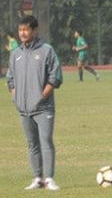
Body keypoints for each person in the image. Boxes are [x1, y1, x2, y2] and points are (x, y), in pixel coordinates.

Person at [7, 15, 63, 191]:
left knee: (46, 141)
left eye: (26, 30)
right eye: (20, 30)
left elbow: (56, 77)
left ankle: (49, 179)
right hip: (24, 110)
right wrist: (16, 98)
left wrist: (41, 97)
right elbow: (10, 79)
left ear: (35, 30)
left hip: (44, 108)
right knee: (32, 144)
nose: (22, 33)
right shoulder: (15, 54)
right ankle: (37, 179)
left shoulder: (47, 50)